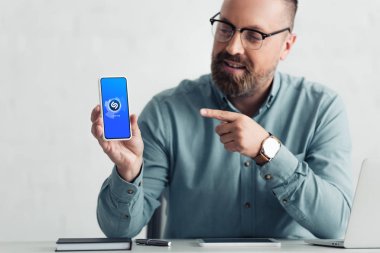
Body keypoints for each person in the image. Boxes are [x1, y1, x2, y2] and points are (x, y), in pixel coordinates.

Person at [91, 0, 353, 239]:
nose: (232, 47)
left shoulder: (322, 109)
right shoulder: (166, 112)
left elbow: (335, 225)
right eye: (225, 28)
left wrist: (268, 151)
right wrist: (129, 172)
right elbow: (118, 230)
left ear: (286, 46)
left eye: (254, 36)